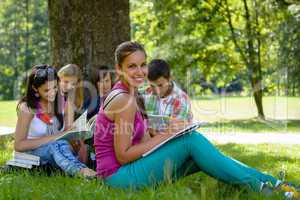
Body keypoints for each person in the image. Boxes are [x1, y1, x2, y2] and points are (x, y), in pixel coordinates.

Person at [94, 41, 299, 198]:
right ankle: (265, 188)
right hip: (117, 177)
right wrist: (168, 134)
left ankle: (272, 184)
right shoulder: (125, 100)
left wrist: (164, 134)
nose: (139, 72)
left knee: (202, 152)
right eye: (131, 66)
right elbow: (123, 155)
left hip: (125, 172)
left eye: (143, 65)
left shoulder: (130, 93)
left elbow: (141, 142)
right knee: (191, 141)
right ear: (119, 68)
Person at [14, 64, 96, 177]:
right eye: (47, 90)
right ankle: (83, 172)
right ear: (34, 88)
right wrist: (55, 138)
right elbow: (18, 145)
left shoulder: (64, 103)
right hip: (33, 153)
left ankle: (87, 165)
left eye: (55, 88)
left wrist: (75, 138)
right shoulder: (27, 108)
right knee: (56, 144)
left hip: (60, 148)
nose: (52, 93)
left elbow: (67, 133)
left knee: (75, 142)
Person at [143, 59, 193, 134]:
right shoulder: (145, 94)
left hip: (174, 142)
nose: (157, 91)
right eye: (152, 86)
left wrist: (150, 131)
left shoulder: (181, 99)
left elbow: (175, 134)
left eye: (160, 85)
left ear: (169, 79)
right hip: (150, 141)